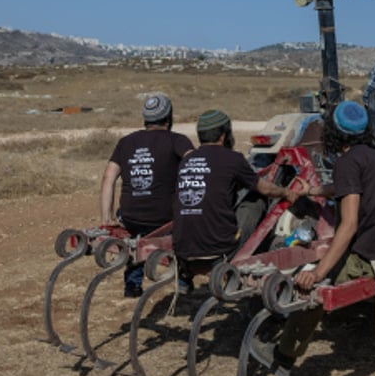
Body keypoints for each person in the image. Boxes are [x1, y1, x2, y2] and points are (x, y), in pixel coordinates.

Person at [250, 100, 375, 376]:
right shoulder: (374, 157)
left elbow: (349, 224)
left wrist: (317, 273)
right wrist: (312, 190)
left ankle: (283, 358)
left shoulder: (347, 162)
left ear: (332, 132)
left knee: (310, 288)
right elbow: (347, 188)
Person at [172, 109, 299, 292]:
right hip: (218, 250)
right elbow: (264, 188)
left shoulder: (187, 160)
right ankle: (261, 250)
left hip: (182, 248)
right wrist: (286, 193)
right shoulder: (233, 159)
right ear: (224, 136)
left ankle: (185, 277)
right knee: (257, 199)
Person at [100, 92, 194, 297]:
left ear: (146, 119)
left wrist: (107, 218)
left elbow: (108, 178)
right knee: (189, 217)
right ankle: (184, 279)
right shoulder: (178, 141)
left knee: (135, 238)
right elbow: (195, 167)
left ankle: (133, 285)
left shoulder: (126, 142)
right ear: (169, 118)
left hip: (130, 216)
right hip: (165, 219)